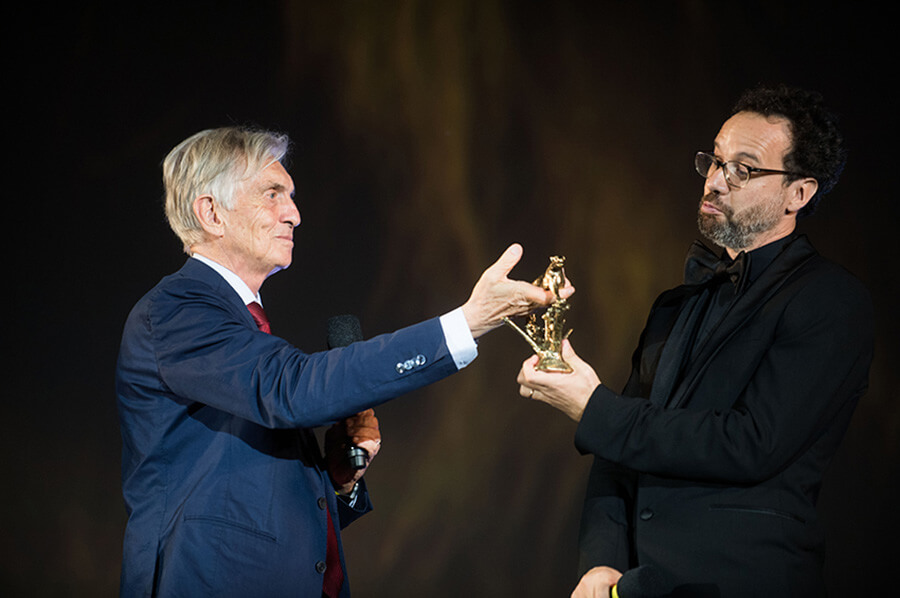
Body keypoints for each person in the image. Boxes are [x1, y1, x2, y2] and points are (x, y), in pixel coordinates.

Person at [116, 126, 569, 597]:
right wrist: (466, 323)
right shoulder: (175, 311)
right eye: (272, 194)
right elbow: (292, 390)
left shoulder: (241, 325)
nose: (294, 214)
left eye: (290, 196)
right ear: (211, 212)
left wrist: (336, 481)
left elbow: (252, 496)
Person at [517, 85, 873, 597]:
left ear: (799, 193)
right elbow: (615, 451)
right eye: (715, 160)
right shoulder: (675, 306)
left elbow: (751, 444)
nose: (716, 181)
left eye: (743, 169)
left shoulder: (830, 301)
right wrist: (600, 561)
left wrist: (594, 407)